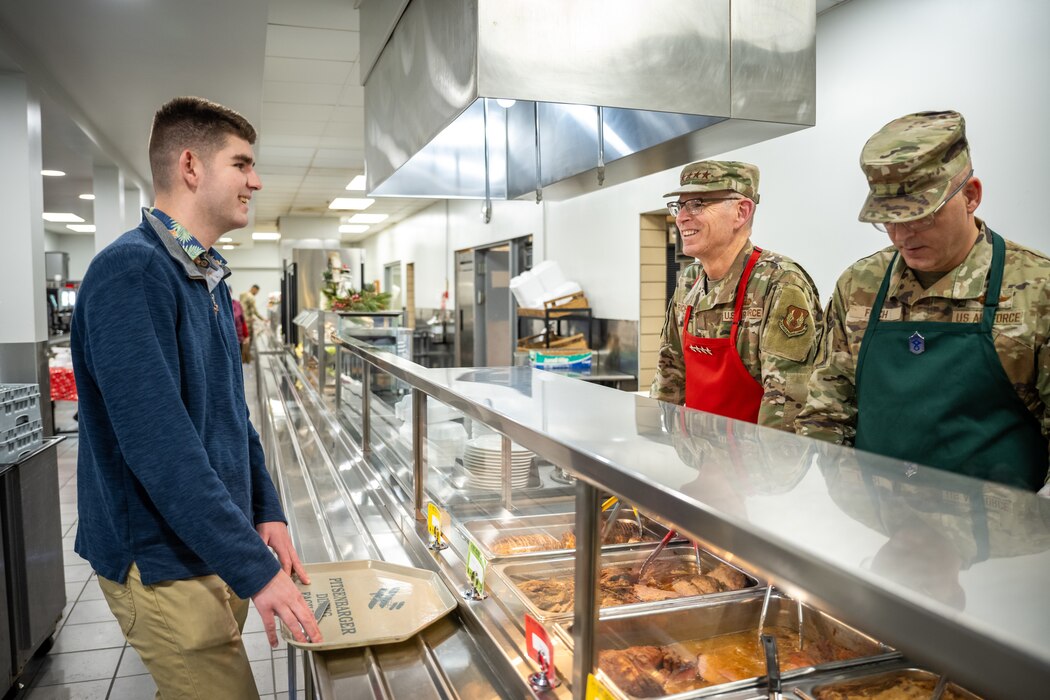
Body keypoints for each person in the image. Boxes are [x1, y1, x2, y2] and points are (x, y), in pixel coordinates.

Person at [71, 96, 321, 699]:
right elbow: (162, 450)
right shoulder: (132, 273)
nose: (255, 181)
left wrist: (267, 509)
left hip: (207, 545)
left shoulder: (202, 274)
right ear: (191, 166)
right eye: (242, 164)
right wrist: (256, 570)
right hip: (162, 565)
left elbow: (232, 416)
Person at [795, 110, 1050, 492]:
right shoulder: (859, 285)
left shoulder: (1036, 288)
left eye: (922, 216)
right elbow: (826, 411)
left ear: (971, 196)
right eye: (888, 220)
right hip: (880, 528)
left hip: (999, 541)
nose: (902, 235)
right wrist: (847, 505)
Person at [650, 160, 823, 431]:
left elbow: (787, 405)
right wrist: (661, 445)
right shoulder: (688, 281)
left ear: (741, 212)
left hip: (753, 465)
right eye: (679, 206)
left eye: (697, 204)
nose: (681, 217)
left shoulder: (779, 283)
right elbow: (669, 374)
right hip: (699, 460)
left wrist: (757, 472)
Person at [240, 283, 264, 362]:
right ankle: (246, 358)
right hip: (247, 322)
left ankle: (242, 357)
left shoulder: (242, 294)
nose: (256, 293)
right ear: (254, 289)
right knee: (247, 339)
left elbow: (243, 308)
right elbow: (254, 311)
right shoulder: (251, 297)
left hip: (240, 320)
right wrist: (263, 319)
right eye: (257, 292)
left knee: (242, 339)